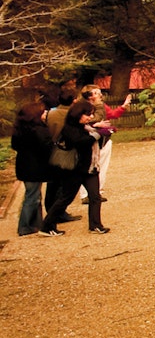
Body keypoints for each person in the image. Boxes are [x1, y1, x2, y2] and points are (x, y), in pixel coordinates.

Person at [40, 99, 106, 236]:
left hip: (90, 168)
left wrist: (99, 131)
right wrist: (97, 134)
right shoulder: (69, 128)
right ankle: (47, 225)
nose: (90, 117)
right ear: (78, 114)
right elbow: (80, 142)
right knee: (66, 198)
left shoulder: (86, 127)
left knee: (95, 196)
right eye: (88, 114)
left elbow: (94, 141)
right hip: (74, 170)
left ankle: (95, 225)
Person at [76, 85, 132, 204]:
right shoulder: (82, 108)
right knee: (87, 165)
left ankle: (97, 191)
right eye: (96, 93)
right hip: (89, 139)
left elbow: (112, 114)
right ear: (89, 96)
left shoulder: (101, 106)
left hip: (103, 139)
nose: (100, 95)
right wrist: (95, 125)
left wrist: (123, 106)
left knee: (101, 166)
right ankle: (85, 194)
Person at [11, 101, 53, 236]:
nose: (46, 113)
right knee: (32, 196)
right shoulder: (38, 130)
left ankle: (36, 223)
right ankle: (24, 226)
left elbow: (15, 145)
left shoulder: (20, 129)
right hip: (34, 167)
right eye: (43, 112)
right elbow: (46, 147)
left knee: (34, 195)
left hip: (25, 165)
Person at [43, 86, 80, 225]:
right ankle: (58, 213)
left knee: (52, 183)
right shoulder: (71, 115)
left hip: (50, 149)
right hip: (64, 150)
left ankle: (51, 208)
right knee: (63, 185)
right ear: (73, 100)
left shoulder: (51, 113)